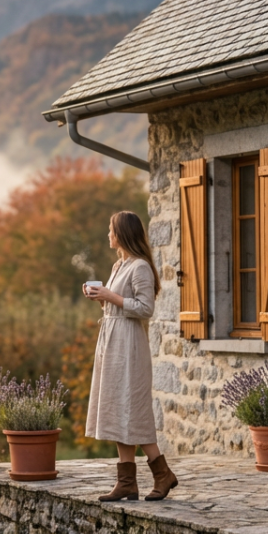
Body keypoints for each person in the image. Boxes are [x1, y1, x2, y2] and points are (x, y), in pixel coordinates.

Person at [82, 210, 178, 501]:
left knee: (133, 409)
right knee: (115, 408)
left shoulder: (140, 267)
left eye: (111, 229)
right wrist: (101, 298)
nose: (108, 234)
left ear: (122, 233)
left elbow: (145, 308)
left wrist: (111, 297)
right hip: (111, 342)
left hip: (130, 345)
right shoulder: (118, 265)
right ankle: (126, 482)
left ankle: (163, 474)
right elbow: (118, 305)